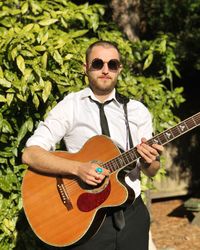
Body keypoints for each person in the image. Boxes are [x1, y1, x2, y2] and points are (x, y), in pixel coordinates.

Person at [22, 40, 164, 250]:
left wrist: (148, 160)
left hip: (132, 214)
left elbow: (152, 170)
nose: (105, 70)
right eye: (98, 63)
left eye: (112, 64)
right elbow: (30, 154)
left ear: (119, 69)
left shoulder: (137, 110)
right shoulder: (69, 107)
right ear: (86, 67)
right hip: (84, 217)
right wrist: (78, 168)